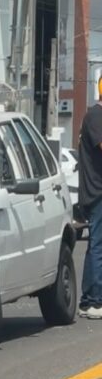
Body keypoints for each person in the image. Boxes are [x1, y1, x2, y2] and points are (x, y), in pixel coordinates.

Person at [79, 78, 102, 318]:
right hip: (98, 192)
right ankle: (96, 301)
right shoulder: (96, 117)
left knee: (96, 244)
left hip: (96, 191)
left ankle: (88, 300)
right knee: (98, 246)